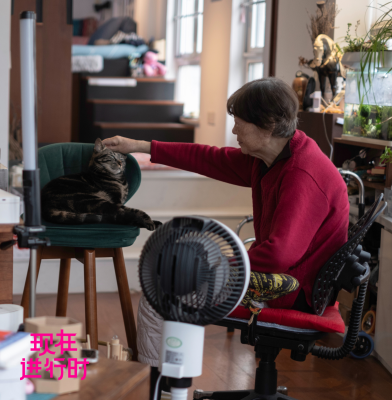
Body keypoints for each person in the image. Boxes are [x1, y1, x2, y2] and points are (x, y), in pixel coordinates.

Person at [103, 77, 349, 379]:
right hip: (282, 279)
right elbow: (209, 158)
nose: (233, 131)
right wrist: (140, 146)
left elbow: (278, 255)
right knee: (172, 280)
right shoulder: (271, 156)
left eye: (239, 124)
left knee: (161, 296)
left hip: (290, 291)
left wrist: (210, 268)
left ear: (268, 126)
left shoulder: (302, 173)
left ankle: (157, 386)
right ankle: (161, 380)